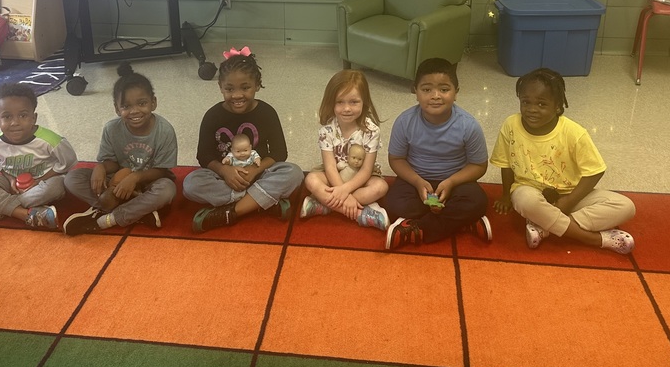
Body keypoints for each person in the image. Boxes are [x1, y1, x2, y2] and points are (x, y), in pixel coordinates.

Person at [491, 68, 636, 254]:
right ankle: (594, 240)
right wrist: (505, 195)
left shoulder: (574, 132)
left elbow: (595, 171)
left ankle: (545, 227)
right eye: (526, 102)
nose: (532, 109)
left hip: (570, 194)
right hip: (530, 191)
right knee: (524, 200)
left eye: (542, 104)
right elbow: (505, 163)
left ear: (558, 106)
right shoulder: (511, 124)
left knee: (626, 207)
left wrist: (568, 202)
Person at [183, 47, 303, 233]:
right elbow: (204, 155)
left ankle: (231, 212)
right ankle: (263, 201)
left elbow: (279, 152)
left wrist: (255, 170)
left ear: (257, 85)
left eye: (245, 87)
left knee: (294, 173)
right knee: (190, 184)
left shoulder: (267, 113)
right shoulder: (212, 116)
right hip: (225, 178)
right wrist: (225, 171)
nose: (237, 95)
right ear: (220, 87)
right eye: (229, 89)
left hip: (260, 173)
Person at [384, 58, 491, 250]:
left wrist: (451, 182)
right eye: (426, 89)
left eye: (444, 89)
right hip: (416, 180)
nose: (435, 96)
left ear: (456, 93)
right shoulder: (404, 121)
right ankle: (463, 223)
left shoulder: (469, 125)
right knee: (392, 203)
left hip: (456, 182)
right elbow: (396, 159)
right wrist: (417, 181)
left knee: (478, 201)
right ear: (415, 91)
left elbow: (479, 165)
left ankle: (417, 229)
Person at [62, 63, 178, 235]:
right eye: (126, 106)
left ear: (153, 103)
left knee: (167, 189)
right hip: (116, 183)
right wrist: (101, 167)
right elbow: (112, 163)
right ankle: (140, 211)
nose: (134, 111)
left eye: (142, 103)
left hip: (149, 183)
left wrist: (135, 177)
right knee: (72, 178)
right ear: (117, 109)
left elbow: (162, 171)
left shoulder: (164, 130)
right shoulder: (111, 128)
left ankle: (110, 217)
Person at [0, 82, 77, 229]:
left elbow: (67, 164)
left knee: (58, 186)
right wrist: (11, 179)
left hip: (44, 183)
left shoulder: (52, 141)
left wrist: (39, 181)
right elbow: (0, 168)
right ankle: (26, 214)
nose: (15, 123)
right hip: (13, 187)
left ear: (34, 118)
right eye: (7, 117)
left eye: (23, 115)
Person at [301, 69, 389, 230]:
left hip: (361, 176)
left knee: (381, 187)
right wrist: (344, 195)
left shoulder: (371, 130)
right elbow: (329, 167)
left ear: (364, 102)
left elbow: (367, 170)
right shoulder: (326, 131)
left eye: (354, 102)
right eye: (339, 102)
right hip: (334, 174)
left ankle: (325, 203)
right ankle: (361, 214)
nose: (346, 108)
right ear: (331, 102)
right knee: (311, 180)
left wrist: (344, 191)